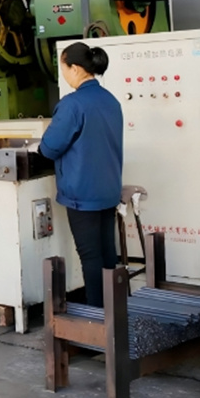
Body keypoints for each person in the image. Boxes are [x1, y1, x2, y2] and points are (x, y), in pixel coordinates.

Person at [35, 42, 123, 307]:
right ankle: (115, 310)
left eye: (63, 68)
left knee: (90, 256)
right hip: (108, 189)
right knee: (107, 253)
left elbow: (49, 148)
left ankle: (97, 318)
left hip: (82, 194)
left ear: (74, 68)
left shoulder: (72, 105)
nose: (63, 74)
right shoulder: (110, 100)